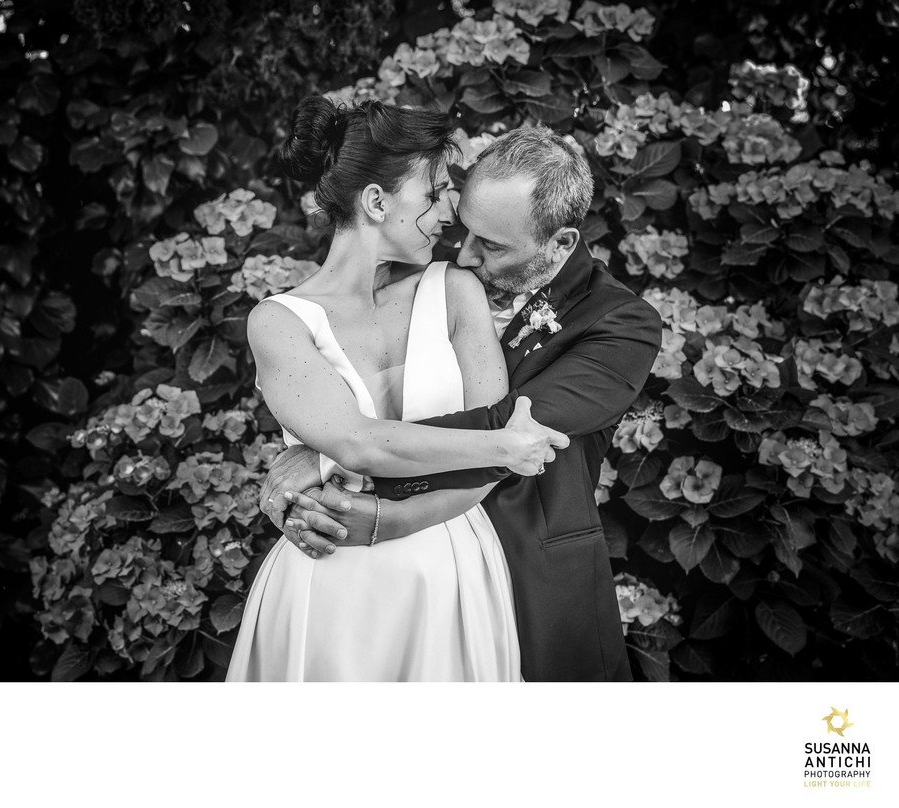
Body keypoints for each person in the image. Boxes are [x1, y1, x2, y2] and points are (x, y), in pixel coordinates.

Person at [262, 127, 664, 682]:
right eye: (465, 231)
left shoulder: (621, 325)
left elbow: (508, 429)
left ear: (561, 243)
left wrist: (337, 452)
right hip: (383, 582)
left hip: (529, 578)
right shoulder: (422, 281)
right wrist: (330, 437)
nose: (466, 256)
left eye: (493, 246)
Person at [225, 98, 569, 682]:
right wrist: (506, 449)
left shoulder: (456, 290)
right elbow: (361, 445)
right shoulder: (279, 321)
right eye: (434, 191)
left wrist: (385, 504)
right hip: (330, 570)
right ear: (378, 202)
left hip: (452, 564)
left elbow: (483, 461)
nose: (450, 208)